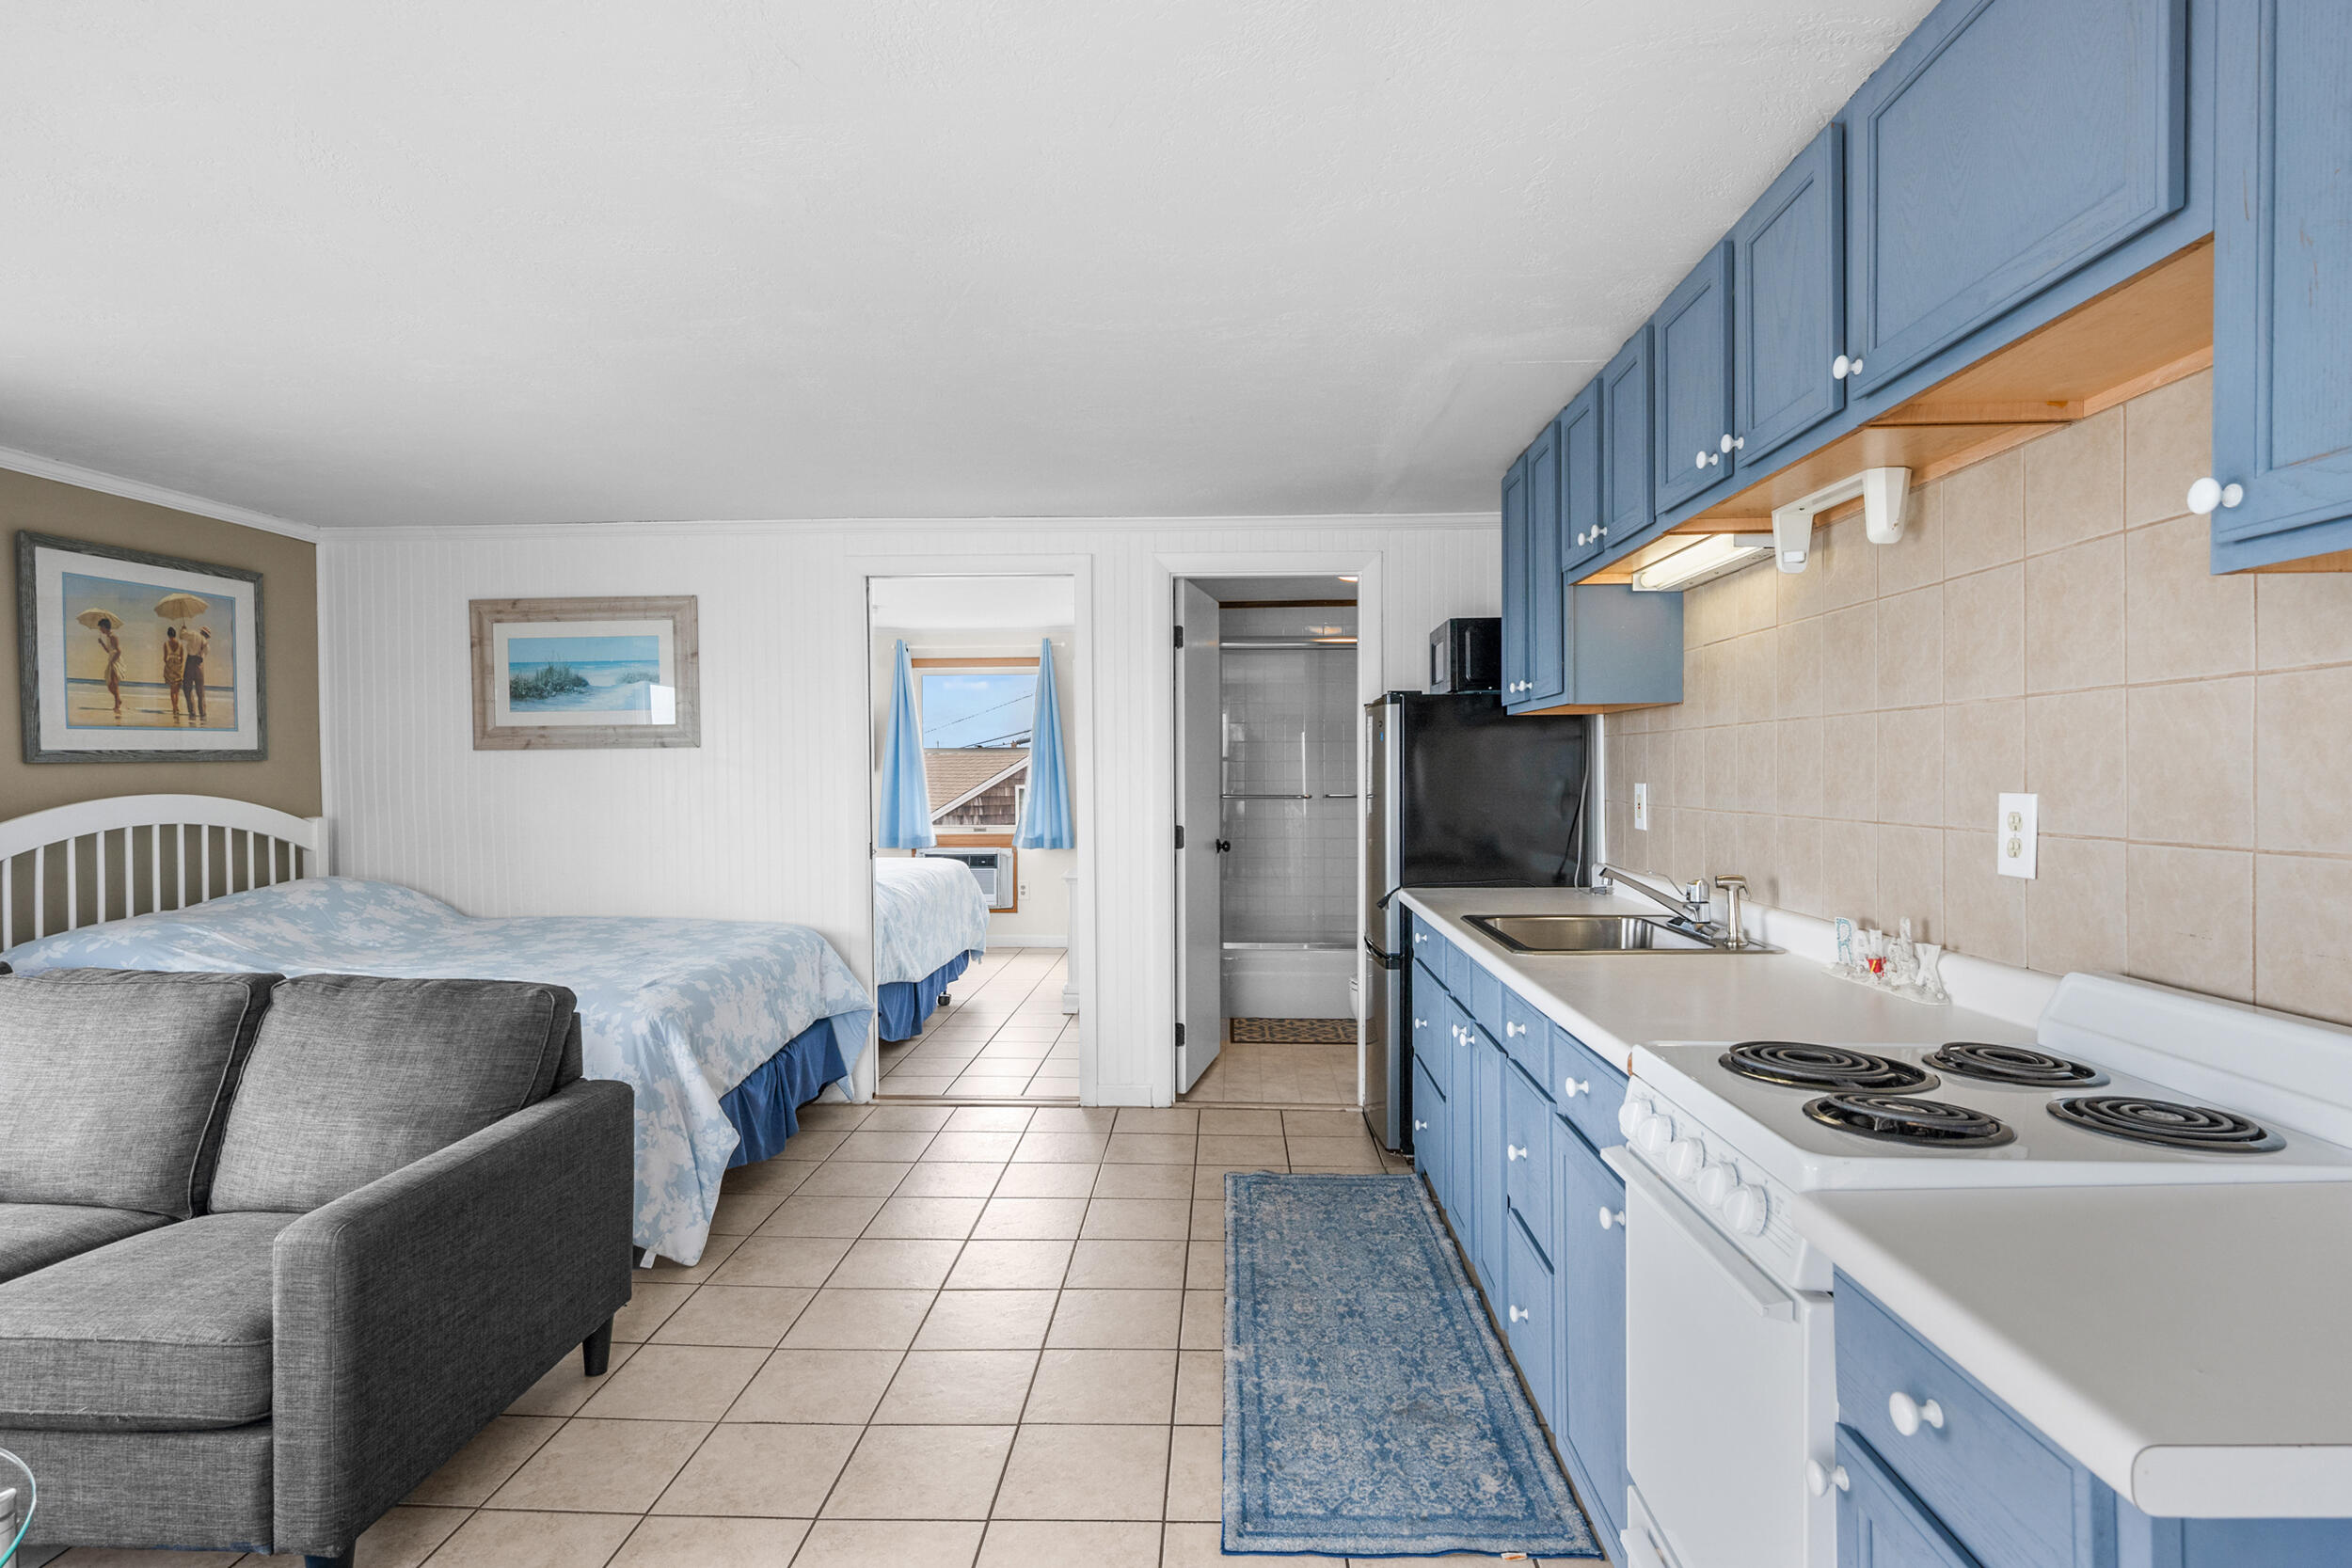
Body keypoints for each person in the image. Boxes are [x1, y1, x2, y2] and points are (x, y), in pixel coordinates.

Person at [93, 614, 123, 716]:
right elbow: (109, 651)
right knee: (109, 685)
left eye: (101, 627)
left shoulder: (113, 636)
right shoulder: (108, 637)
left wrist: (112, 661)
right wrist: (102, 643)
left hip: (115, 661)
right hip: (111, 659)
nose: (100, 629)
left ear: (104, 627)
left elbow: (119, 651)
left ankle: (117, 706)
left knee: (114, 683)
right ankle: (118, 699)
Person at [183, 626, 209, 722]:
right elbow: (203, 656)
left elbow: (182, 635)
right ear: (207, 636)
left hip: (190, 662)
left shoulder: (194, 634)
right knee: (200, 691)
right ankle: (202, 713)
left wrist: (184, 629)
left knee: (187, 688)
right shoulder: (207, 644)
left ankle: (192, 711)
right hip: (199, 665)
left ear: (201, 631)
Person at [161, 626, 186, 719]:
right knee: (177, 690)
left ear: (168, 635)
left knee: (172, 691)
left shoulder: (166, 644)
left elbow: (164, 658)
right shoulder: (180, 644)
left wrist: (169, 663)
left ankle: (175, 707)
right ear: (175, 634)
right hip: (178, 667)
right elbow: (182, 658)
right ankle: (176, 707)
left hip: (170, 666)